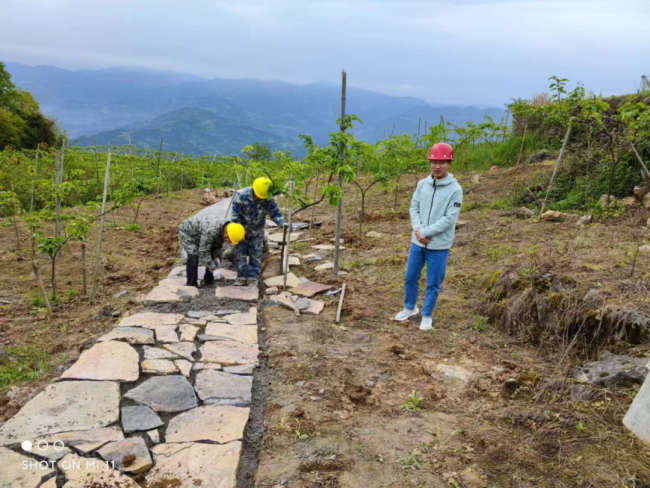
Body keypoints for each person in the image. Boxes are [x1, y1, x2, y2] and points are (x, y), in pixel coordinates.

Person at [395, 143, 463, 331]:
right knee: (410, 277)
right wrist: (418, 230)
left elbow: (449, 219)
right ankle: (410, 307)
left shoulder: (455, 189)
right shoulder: (422, 184)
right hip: (417, 243)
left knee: (433, 282)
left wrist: (426, 233)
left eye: (442, 162)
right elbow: (414, 207)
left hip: (439, 246)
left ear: (449, 163)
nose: (437, 166)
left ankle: (426, 314)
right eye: (434, 161)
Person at [230, 177, 289, 287]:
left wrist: (282, 223)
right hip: (241, 230)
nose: (259, 198)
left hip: (257, 231)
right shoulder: (241, 195)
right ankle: (241, 277)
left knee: (256, 255)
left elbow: (275, 214)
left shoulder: (269, 198)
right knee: (240, 254)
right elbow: (235, 216)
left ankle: (253, 279)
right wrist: (238, 232)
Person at [178, 215, 245, 287]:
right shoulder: (212, 231)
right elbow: (204, 251)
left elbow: (216, 247)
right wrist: (214, 268)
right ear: (226, 233)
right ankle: (191, 284)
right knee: (193, 255)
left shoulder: (229, 228)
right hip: (188, 232)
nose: (229, 242)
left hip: (202, 233)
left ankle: (208, 280)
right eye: (229, 240)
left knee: (216, 255)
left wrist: (217, 260)